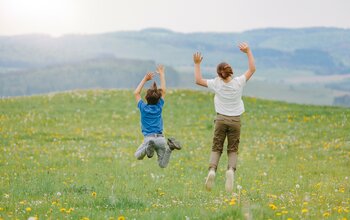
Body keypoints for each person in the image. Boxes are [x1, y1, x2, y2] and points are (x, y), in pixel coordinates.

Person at [193, 42, 256, 192]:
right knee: (233, 149)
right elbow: (252, 69)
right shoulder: (239, 82)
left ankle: (212, 171)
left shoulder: (216, 83)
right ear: (230, 72)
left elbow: (198, 80)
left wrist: (197, 64)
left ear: (219, 74)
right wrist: (248, 51)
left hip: (220, 120)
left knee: (216, 148)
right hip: (235, 121)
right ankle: (230, 171)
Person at [134, 64, 181, 168]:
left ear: (146, 98)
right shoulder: (159, 106)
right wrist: (162, 74)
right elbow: (163, 90)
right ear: (158, 99)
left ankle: (147, 149)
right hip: (160, 139)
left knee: (137, 156)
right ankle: (170, 148)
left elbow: (136, 93)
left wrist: (145, 79)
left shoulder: (143, 108)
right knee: (162, 165)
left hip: (148, 138)